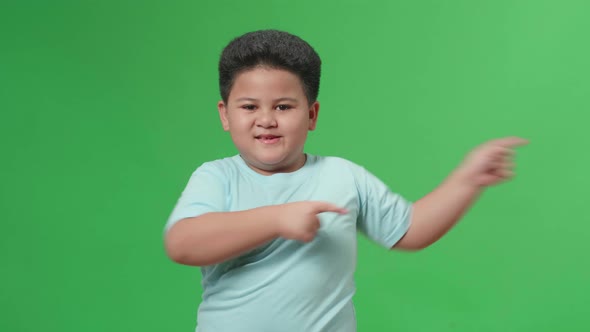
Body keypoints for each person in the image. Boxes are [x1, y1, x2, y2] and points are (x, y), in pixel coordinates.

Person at [163, 29, 527, 332]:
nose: (266, 119)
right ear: (225, 115)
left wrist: (467, 178)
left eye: (283, 106)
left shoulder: (341, 175)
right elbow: (183, 242)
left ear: (312, 114)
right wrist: (277, 218)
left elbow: (410, 229)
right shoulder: (218, 176)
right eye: (249, 107)